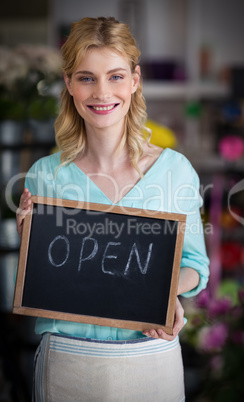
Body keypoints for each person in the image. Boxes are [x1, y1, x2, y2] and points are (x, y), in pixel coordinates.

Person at [16, 17, 209, 402]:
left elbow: (196, 266)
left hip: (152, 362)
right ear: (69, 84)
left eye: (116, 76)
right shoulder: (45, 177)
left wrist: (166, 294)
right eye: (87, 78)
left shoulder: (176, 171)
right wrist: (29, 242)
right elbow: (47, 278)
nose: (102, 92)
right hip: (68, 364)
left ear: (135, 81)